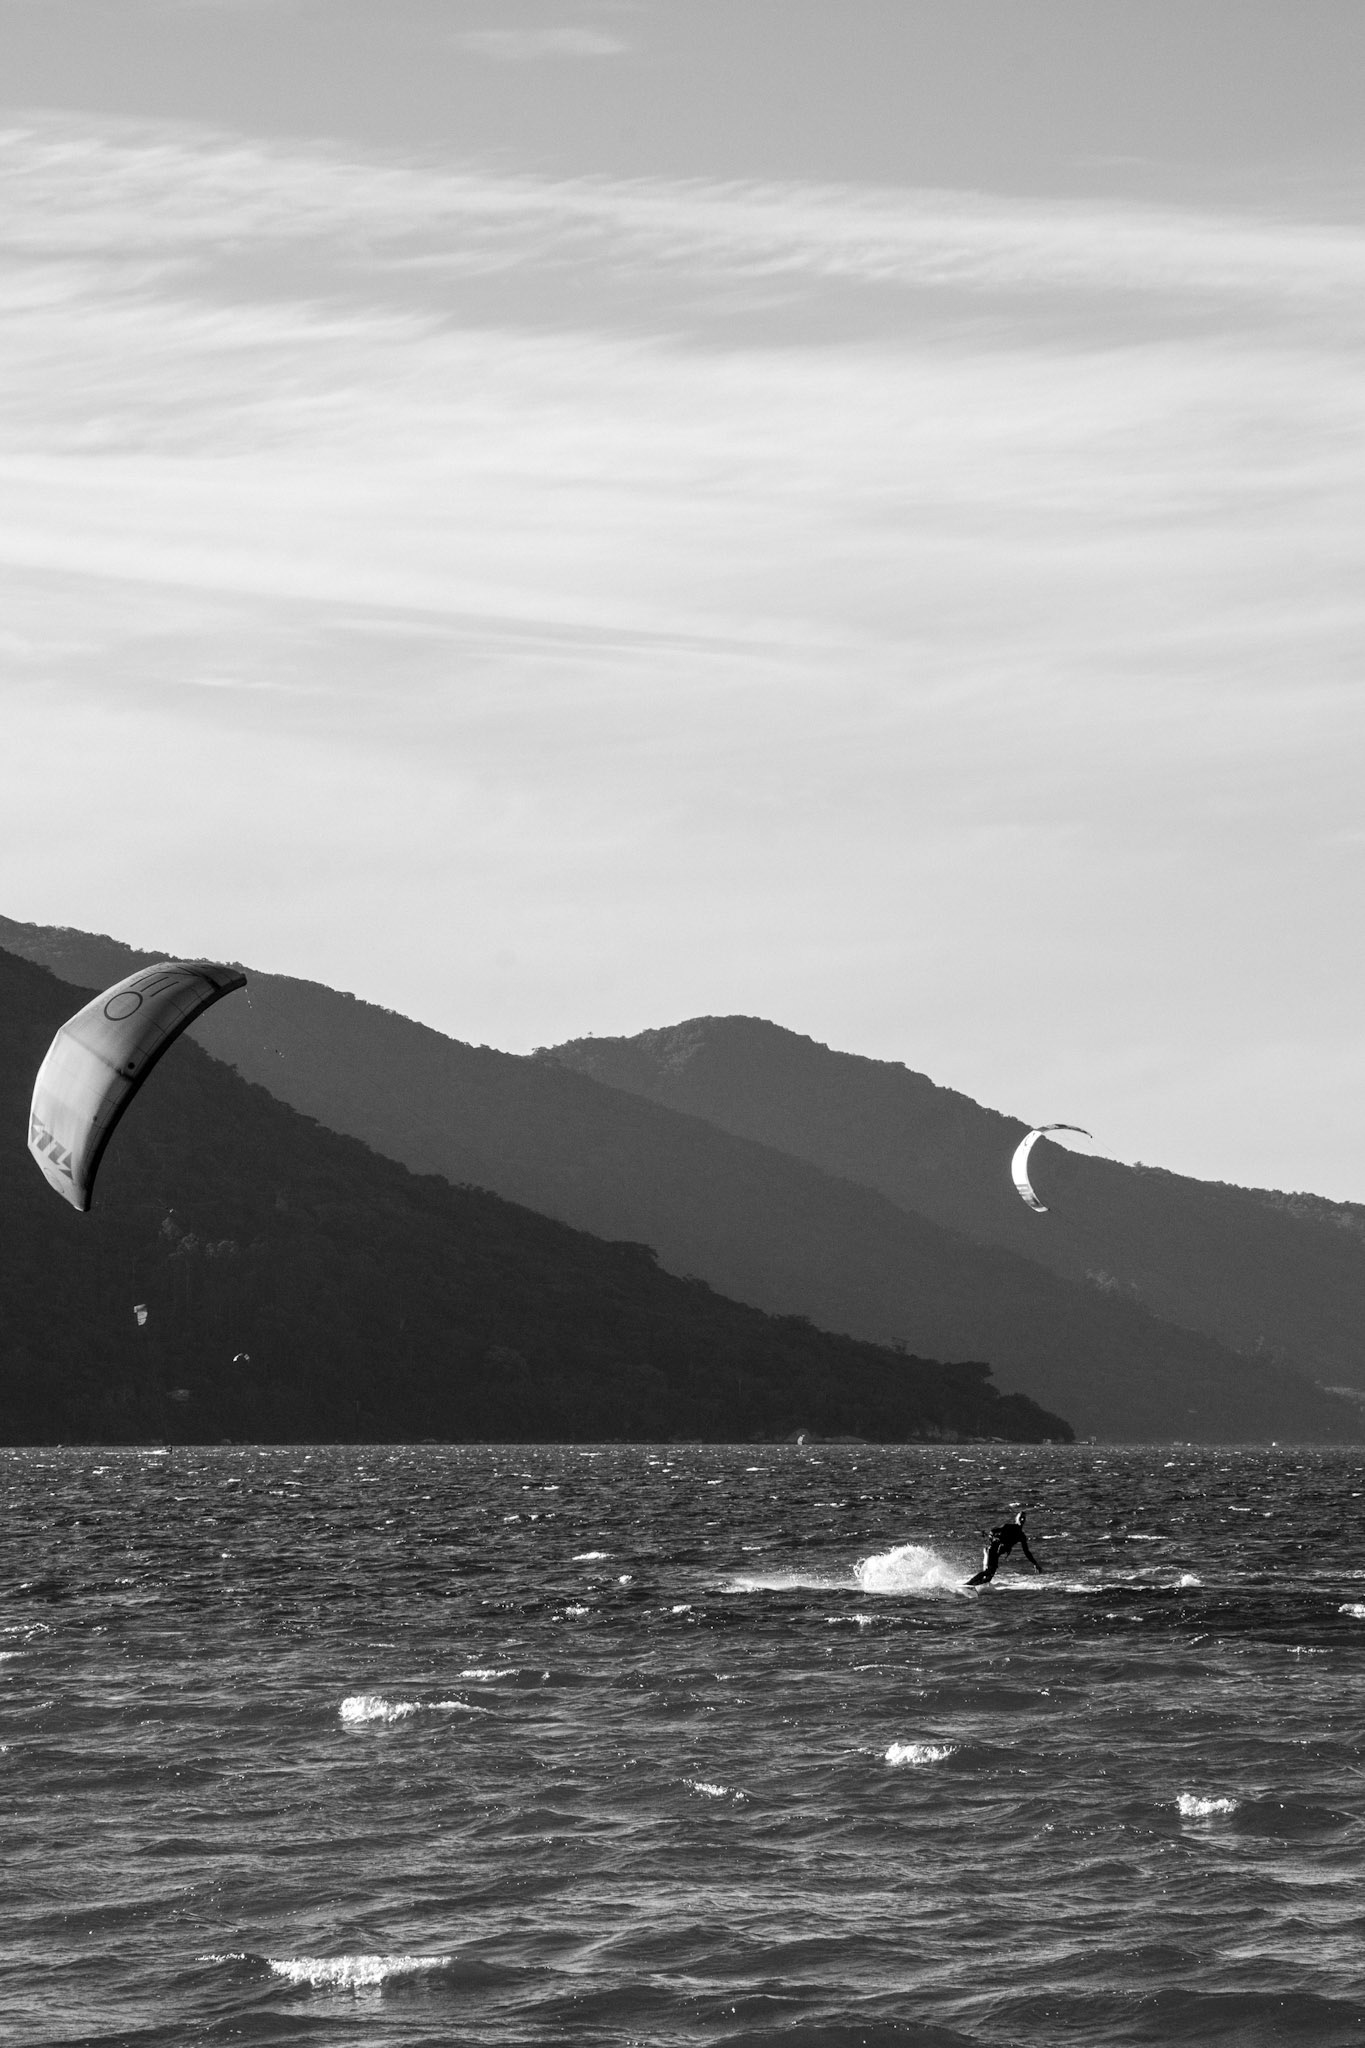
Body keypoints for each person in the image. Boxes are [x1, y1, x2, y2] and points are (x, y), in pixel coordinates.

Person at [966, 1508, 1041, 1585]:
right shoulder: (1008, 1527)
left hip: (996, 1555)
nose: (1022, 1520)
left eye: (1023, 1518)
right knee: (988, 1572)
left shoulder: (1021, 1536)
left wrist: (1035, 1563)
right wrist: (993, 1537)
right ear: (1016, 1519)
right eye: (1020, 1518)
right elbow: (993, 1531)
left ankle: (973, 1587)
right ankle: (967, 1584)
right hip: (991, 1550)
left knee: (989, 1578)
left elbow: (1026, 1551)